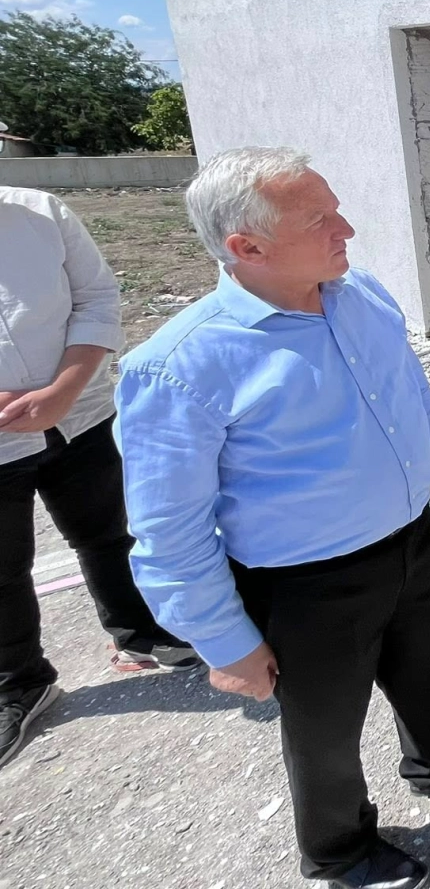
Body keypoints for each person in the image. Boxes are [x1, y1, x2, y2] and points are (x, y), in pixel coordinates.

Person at [116, 148, 430, 889]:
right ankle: (340, 849)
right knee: (325, 729)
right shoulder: (180, 364)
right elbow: (169, 531)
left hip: (410, 540)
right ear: (247, 247)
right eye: (319, 220)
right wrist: (225, 643)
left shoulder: (358, 293)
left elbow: (411, 391)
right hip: (305, 586)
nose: (348, 229)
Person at [0, 187, 201, 768]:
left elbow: (95, 298)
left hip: (79, 413)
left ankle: (140, 632)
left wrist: (63, 390)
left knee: (107, 531)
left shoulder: (38, 212)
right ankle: (20, 683)